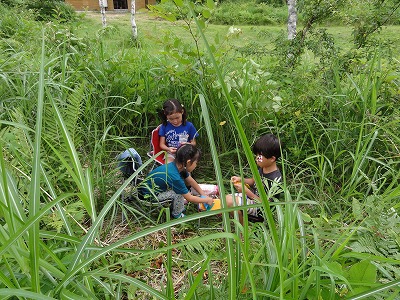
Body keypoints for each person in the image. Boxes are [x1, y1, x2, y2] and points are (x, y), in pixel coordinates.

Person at [138, 144, 214, 219]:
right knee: (178, 193)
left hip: (146, 190)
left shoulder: (176, 166)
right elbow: (189, 198)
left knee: (180, 189)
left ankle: (178, 205)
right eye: (196, 163)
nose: (196, 165)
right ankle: (177, 214)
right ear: (188, 162)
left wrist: (203, 194)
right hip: (148, 197)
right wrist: (206, 200)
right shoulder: (175, 177)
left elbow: (190, 180)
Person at [226, 133, 283, 225]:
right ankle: (243, 221)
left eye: (260, 156)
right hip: (252, 199)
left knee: (230, 202)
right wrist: (241, 179)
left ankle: (244, 230)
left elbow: (267, 205)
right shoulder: (263, 167)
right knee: (227, 198)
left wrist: (246, 192)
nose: (257, 158)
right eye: (256, 155)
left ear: (272, 158)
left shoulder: (275, 180)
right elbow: (253, 181)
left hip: (261, 210)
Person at [158, 98, 199, 163]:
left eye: (177, 117)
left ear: (182, 112)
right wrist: (169, 149)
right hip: (171, 153)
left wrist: (188, 144)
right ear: (165, 115)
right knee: (169, 166)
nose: (175, 121)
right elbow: (162, 144)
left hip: (185, 152)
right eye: (171, 119)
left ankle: (185, 172)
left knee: (185, 166)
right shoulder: (164, 126)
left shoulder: (189, 126)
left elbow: (194, 143)